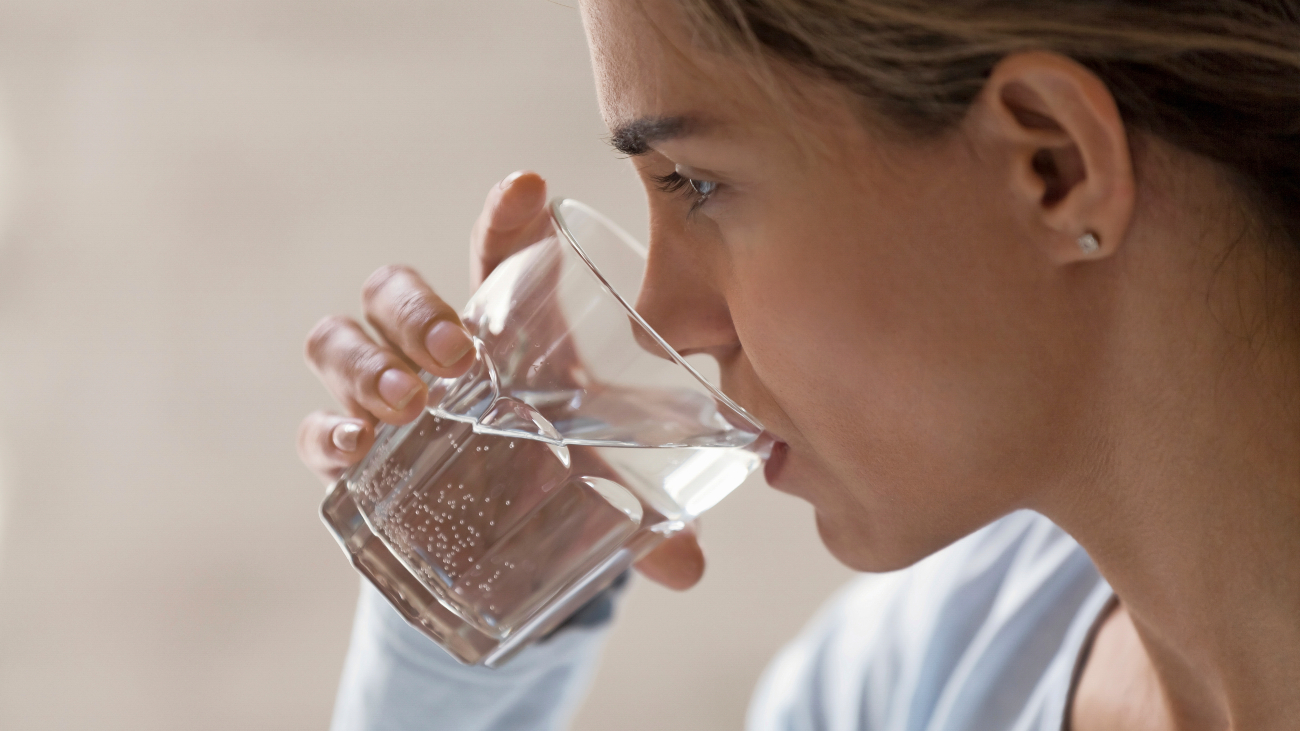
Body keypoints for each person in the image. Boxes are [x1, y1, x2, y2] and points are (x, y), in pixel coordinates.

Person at [296, 0, 1300, 728]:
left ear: (1053, 166)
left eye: (697, 182)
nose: (664, 321)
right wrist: (478, 577)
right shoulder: (901, 683)